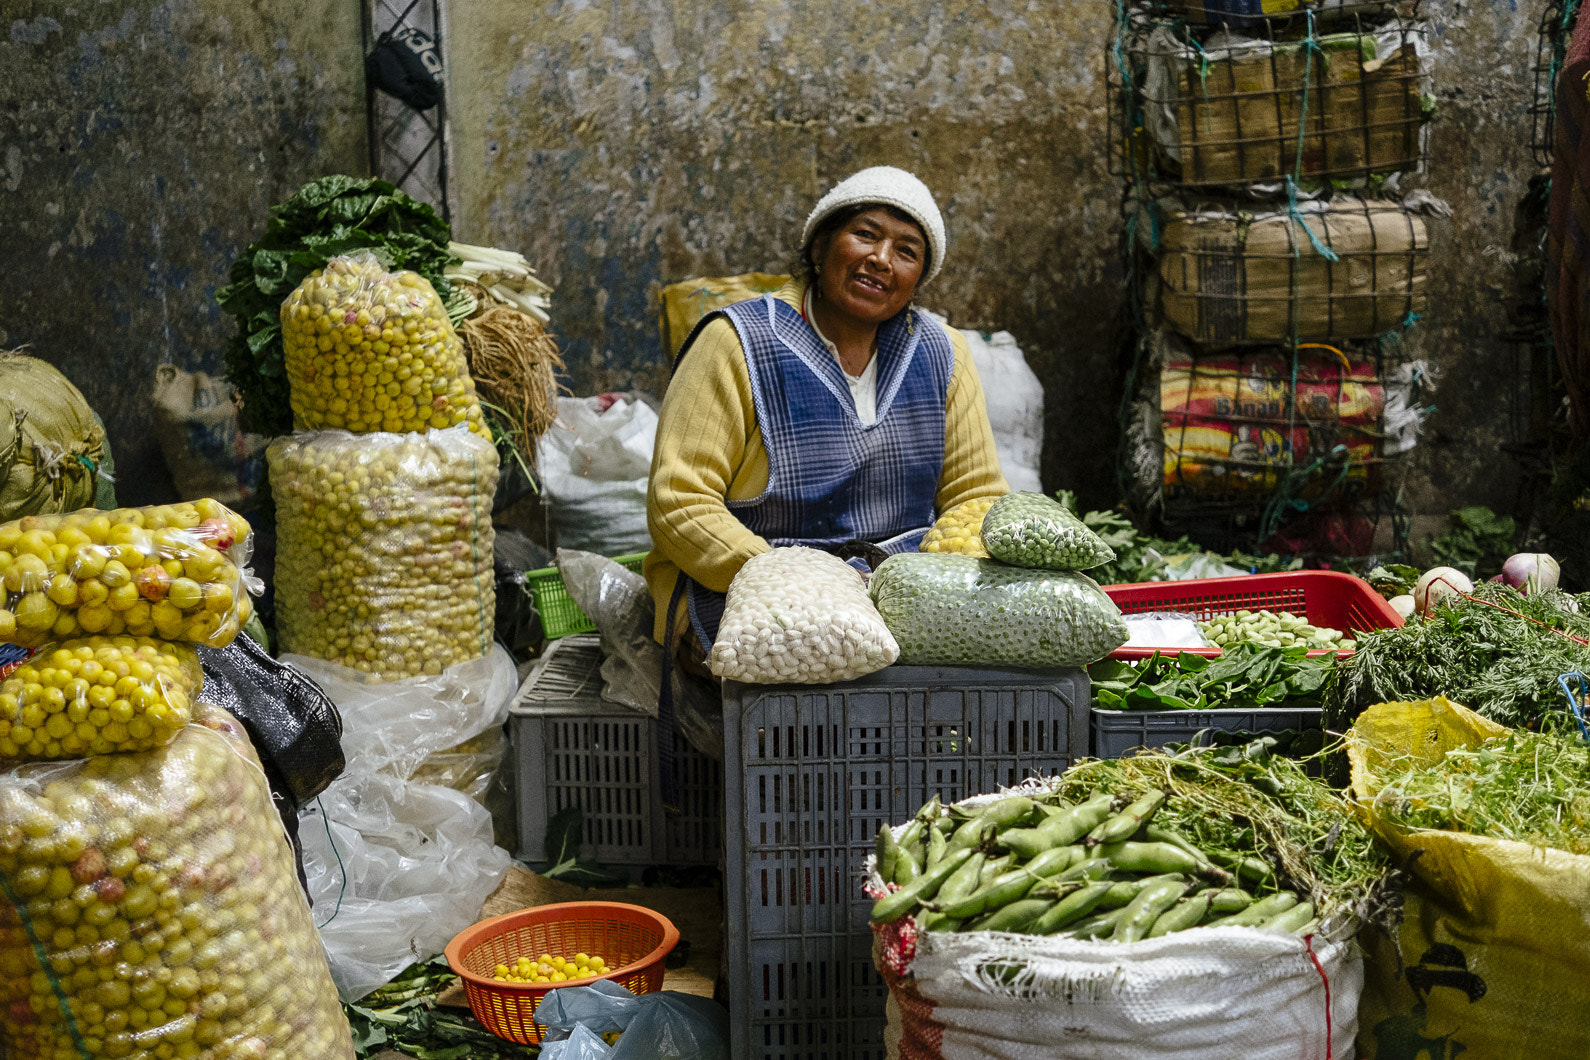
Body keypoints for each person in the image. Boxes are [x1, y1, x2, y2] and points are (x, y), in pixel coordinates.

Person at [645, 166, 1008, 667]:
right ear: (818, 248)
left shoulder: (942, 353)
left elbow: (977, 496)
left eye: (906, 252)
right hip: (746, 586)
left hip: (896, 592)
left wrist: (935, 594)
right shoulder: (736, 343)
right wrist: (799, 584)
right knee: (799, 686)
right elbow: (679, 503)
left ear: (918, 279)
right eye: (865, 235)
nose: (881, 260)